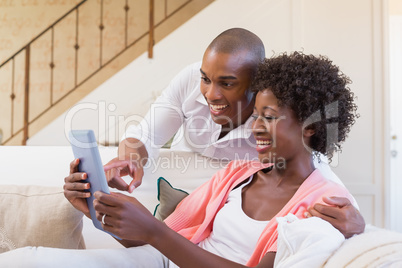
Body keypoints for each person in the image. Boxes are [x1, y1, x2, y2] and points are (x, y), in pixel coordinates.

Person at [0, 51, 359, 267]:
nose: (256, 128)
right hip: (157, 261)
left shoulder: (319, 204)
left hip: (163, 259)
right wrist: (95, 207)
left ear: (311, 127)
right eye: (258, 116)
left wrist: (359, 228)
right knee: (27, 260)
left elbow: (160, 236)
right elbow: (160, 237)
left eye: (270, 117)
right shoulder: (238, 174)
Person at [103, 28, 364, 238]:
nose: (211, 94)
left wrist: (357, 220)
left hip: (225, 205)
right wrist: (130, 159)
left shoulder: (273, 126)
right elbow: (145, 134)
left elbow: (315, 170)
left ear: (256, 84)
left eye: (227, 84)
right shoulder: (190, 80)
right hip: (185, 195)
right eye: (206, 79)